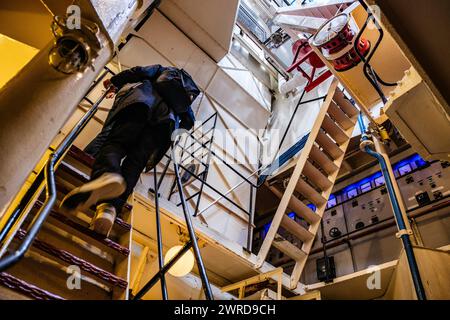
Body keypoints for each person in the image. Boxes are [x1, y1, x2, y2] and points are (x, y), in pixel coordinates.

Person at [60, 65, 200, 236]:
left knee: (116, 144)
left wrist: (114, 81)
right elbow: (189, 121)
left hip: (141, 106)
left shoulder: (164, 70)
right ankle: (109, 209)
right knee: (135, 164)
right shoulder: (185, 100)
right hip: (163, 126)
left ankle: (107, 174)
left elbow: (139, 72)